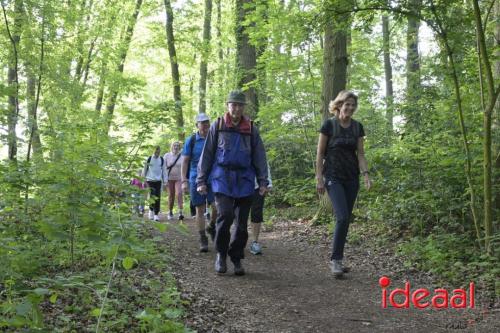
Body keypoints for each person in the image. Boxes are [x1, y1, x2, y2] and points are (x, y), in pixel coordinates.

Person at [197, 90, 269, 276]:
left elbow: (259, 156)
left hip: (245, 179)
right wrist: (201, 180)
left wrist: (263, 181)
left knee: (242, 224)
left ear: (244, 107)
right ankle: (221, 254)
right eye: (233, 104)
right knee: (226, 215)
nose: (236, 108)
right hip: (222, 178)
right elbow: (208, 154)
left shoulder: (251, 128)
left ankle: (236, 257)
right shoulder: (218, 125)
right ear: (228, 106)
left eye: (239, 105)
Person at [315, 90, 372, 278]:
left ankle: (338, 258)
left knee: (346, 218)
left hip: (351, 177)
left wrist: (365, 175)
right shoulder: (329, 125)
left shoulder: (357, 127)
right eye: (347, 104)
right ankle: (335, 260)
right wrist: (319, 178)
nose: (350, 108)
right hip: (333, 176)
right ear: (339, 105)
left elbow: (361, 154)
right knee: (341, 216)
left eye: (353, 105)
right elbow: (320, 154)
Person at [181, 113, 217, 252]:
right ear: (197, 125)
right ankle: (203, 237)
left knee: (217, 207)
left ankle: (212, 226)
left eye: (207, 122)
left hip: (213, 178)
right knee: (200, 209)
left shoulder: (214, 138)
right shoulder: (191, 140)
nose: (205, 125)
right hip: (196, 178)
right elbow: (185, 161)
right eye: (202, 122)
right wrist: (184, 180)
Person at [249, 163, 273, 255]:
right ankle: (239, 238)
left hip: (258, 185)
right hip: (240, 186)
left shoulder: (257, 149)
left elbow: (264, 164)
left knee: (256, 212)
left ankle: (255, 242)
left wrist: (268, 183)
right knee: (239, 213)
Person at [143, 146, 167, 221]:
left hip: (158, 181)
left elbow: (164, 170)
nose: (157, 153)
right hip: (150, 180)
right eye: (156, 151)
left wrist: (165, 181)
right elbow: (144, 170)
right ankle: (151, 211)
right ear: (153, 151)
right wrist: (143, 180)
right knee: (152, 195)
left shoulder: (162, 159)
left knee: (158, 197)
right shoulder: (149, 159)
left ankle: (156, 214)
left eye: (158, 152)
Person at [164, 141, 184, 220]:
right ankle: (170, 211)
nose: (176, 147)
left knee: (179, 193)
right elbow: (163, 168)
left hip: (179, 178)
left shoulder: (182, 156)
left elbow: (184, 168)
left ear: (179, 147)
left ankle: (180, 212)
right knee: (171, 195)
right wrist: (164, 180)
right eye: (174, 145)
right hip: (169, 179)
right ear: (172, 147)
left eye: (177, 146)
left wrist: (184, 179)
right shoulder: (167, 155)